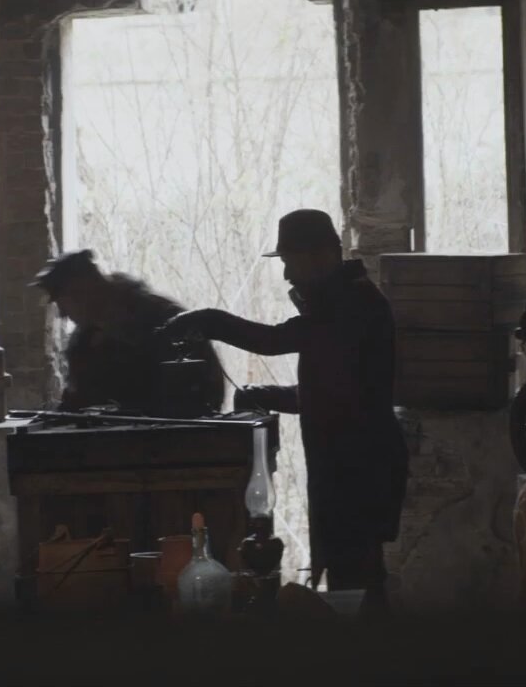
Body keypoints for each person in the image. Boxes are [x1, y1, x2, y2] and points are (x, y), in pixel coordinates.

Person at [157, 209, 409, 611]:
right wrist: (266, 396)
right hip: (349, 467)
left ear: (322, 255)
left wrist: (209, 320)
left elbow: (276, 340)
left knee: (357, 584)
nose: (288, 275)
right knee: (352, 581)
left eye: (291, 261)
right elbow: (334, 391)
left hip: (359, 469)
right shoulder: (343, 302)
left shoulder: (352, 305)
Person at [30, 249, 224, 416]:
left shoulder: (162, 317)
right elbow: (79, 400)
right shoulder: (84, 340)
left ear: (84, 291)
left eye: (64, 302)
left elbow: (206, 391)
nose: (62, 314)